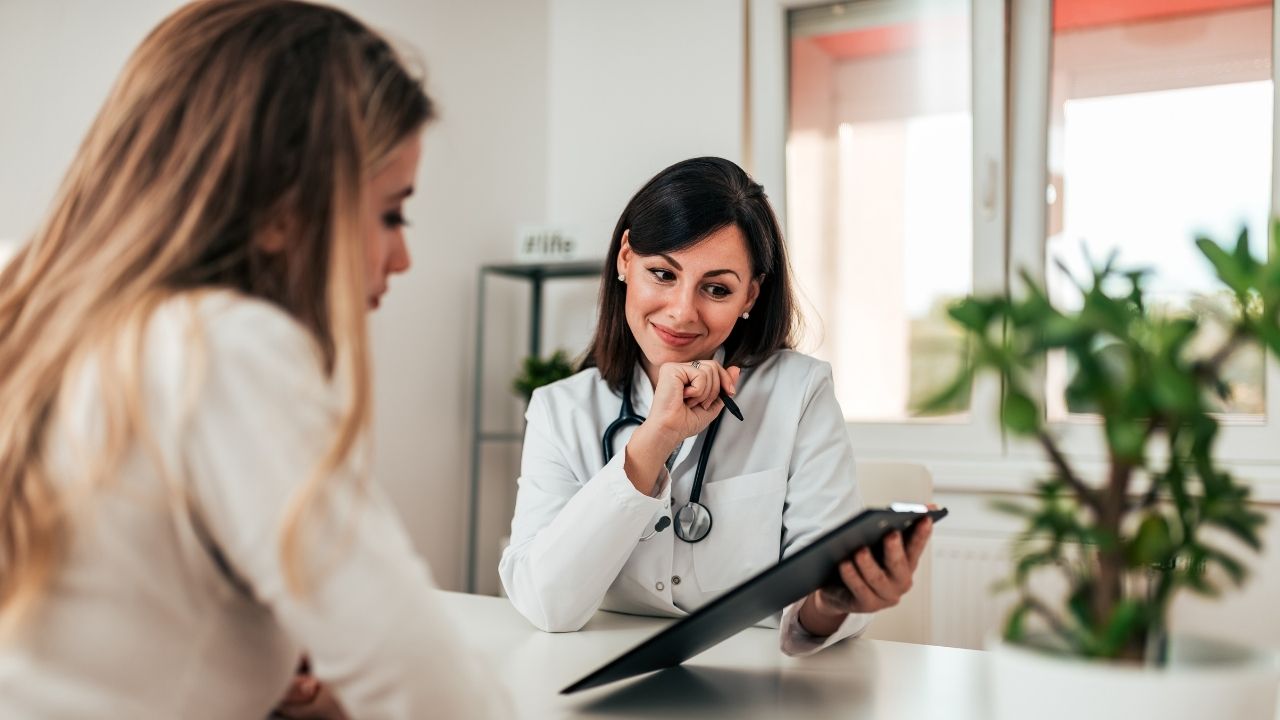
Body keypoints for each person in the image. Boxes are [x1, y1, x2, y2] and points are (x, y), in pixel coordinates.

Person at [0, 2, 502, 718]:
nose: (403, 256)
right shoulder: (219, 348)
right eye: (391, 213)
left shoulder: (27, 306)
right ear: (282, 211)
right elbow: (431, 688)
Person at [499, 156, 933, 654]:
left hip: (761, 683)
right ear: (624, 260)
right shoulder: (561, 410)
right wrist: (653, 440)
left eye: (717, 288)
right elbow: (546, 605)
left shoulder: (799, 391)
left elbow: (814, 594)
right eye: (662, 273)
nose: (682, 312)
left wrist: (835, 601)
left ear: (751, 294)